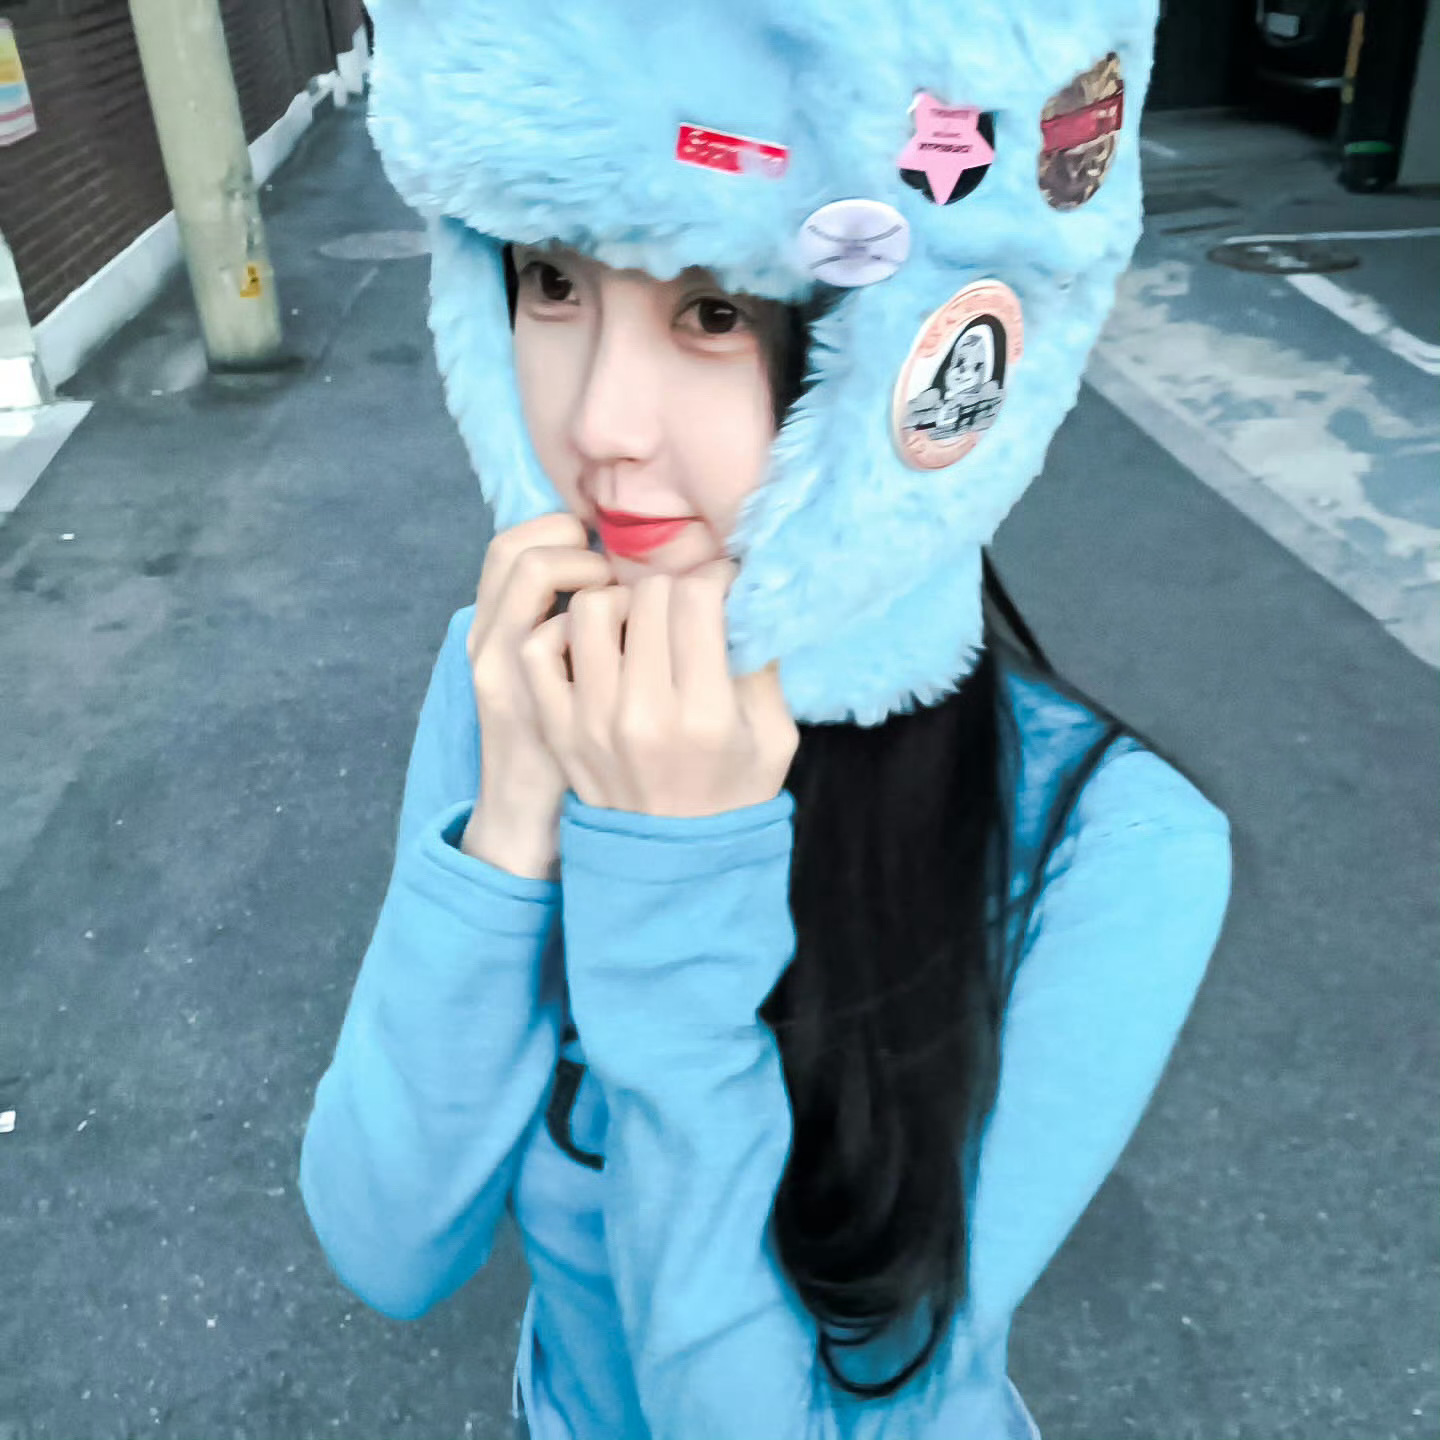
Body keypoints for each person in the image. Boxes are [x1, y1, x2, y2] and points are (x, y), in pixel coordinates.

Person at [299, 2, 1234, 1437]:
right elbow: (387, 1245)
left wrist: (678, 900)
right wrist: (514, 822)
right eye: (550, 280)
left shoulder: (1116, 849)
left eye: (714, 311)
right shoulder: (519, 673)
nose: (602, 424)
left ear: (913, 350)